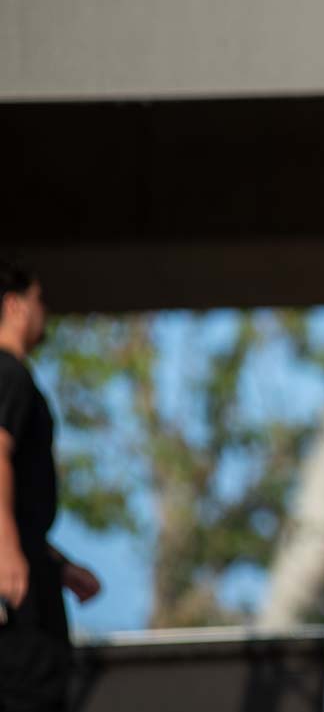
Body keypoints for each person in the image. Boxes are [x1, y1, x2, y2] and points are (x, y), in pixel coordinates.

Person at [0, 260, 102, 712]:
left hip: (30, 565)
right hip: (17, 600)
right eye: (39, 300)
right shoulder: (8, 374)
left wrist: (57, 565)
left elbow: (20, 507)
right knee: (30, 689)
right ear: (14, 305)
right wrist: (7, 551)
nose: (45, 312)